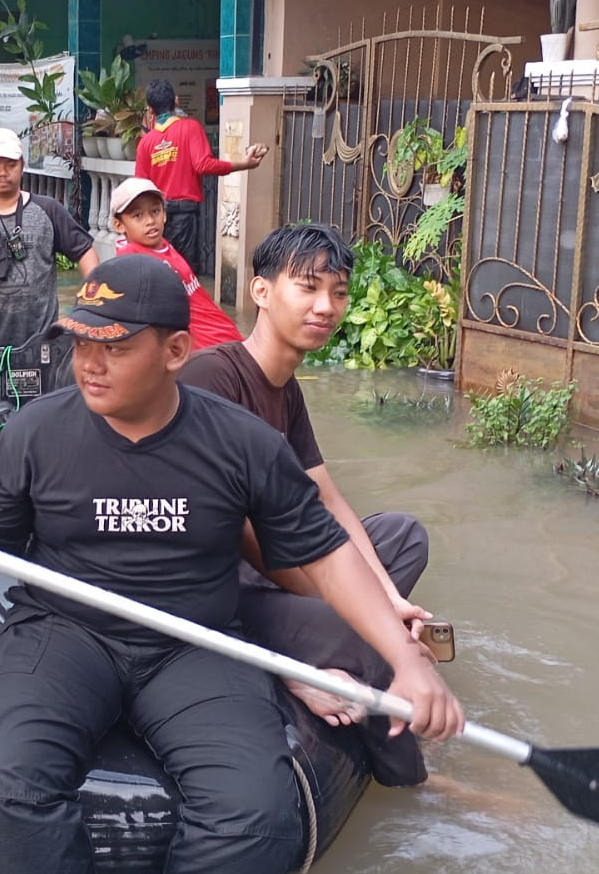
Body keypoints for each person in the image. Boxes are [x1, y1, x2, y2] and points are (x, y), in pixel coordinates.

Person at [0, 254, 463, 874]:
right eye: (80, 343)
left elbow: (328, 558)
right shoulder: (36, 431)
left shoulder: (244, 443)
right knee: (9, 776)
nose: (89, 364)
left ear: (175, 351)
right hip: (64, 633)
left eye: (114, 347)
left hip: (194, 644)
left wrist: (407, 662)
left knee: (256, 814)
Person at [179, 222, 436, 785]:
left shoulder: (286, 389)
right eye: (308, 287)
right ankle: (416, 780)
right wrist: (357, 608)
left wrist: (386, 596)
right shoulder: (211, 377)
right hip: (221, 588)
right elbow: (239, 533)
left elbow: (327, 497)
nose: (326, 306)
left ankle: (329, 641)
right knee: (362, 635)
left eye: (338, 293)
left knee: (403, 535)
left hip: (282, 564)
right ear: (261, 291)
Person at [0, 127, 98, 350]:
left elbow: (85, 252)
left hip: (44, 345)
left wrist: (89, 304)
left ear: (22, 165)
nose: (2, 172)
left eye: (10, 164)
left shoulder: (49, 210)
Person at [134, 78, 269, 273]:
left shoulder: (145, 143)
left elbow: (140, 187)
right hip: (185, 215)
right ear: (176, 101)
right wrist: (243, 164)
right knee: (185, 272)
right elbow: (203, 165)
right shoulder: (191, 127)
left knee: (158, 270)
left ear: (150, 110)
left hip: (156, 217)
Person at [108, 176, 242, 351]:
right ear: (119, 225)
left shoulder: (162, 245)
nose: (150, 221)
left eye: (155, 211)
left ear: (164, 214)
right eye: (138, 215)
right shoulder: (133, 262)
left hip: (224, 339)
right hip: (205, 354)